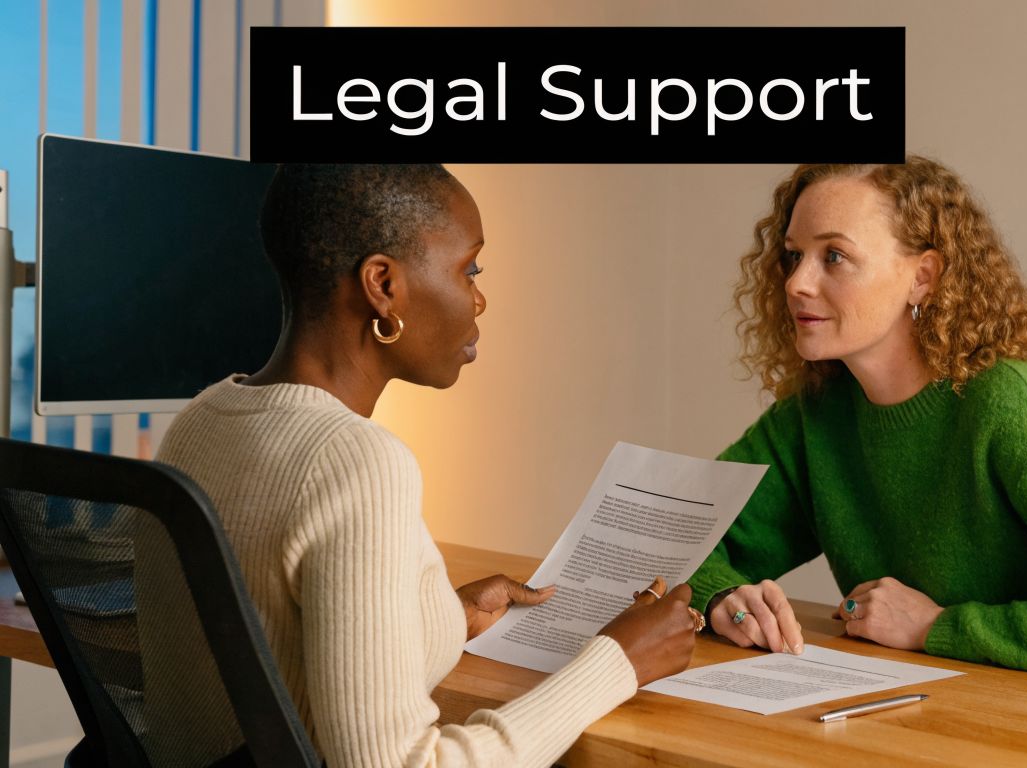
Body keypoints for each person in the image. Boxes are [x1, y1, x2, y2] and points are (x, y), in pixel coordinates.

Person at [156, 164, 699, 767]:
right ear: (383, 285)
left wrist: (441, 616)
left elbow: (264, 636)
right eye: (470, 268)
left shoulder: (201, 420)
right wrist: (617, 663)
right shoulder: (356, 462)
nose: (479, 296)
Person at [687, 158, 1027, 685]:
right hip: (920, 715)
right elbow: (663, 545)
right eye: (794, 255)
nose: (797, 282)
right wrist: (722, 599)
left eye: (835, 256)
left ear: (921, 277)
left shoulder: (1006, 402)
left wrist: (937, 627)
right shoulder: (816, 414)